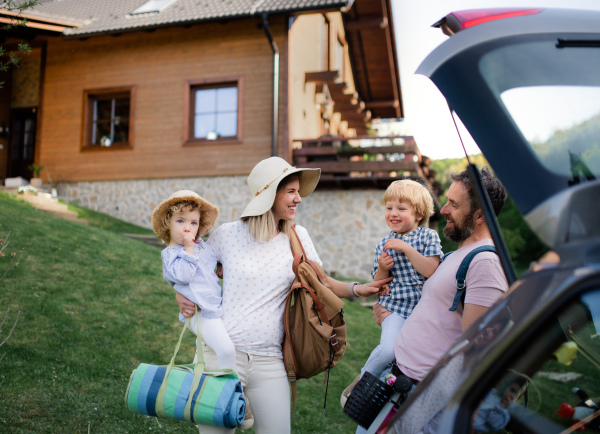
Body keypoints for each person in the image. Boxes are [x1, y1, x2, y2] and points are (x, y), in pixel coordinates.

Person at [175, 157, 391, 434]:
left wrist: (357, 288)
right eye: (291, 191)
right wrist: (179, 295)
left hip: (271, 362)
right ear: (270, 193)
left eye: (298, 192)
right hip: (221, 358)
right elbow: (189, 272)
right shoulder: (227, 235)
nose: (298, 199)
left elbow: (322, 282)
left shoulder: (297, 236)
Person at [373, 167, 509, 384]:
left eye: (453, 205)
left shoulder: (486, 263)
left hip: (423, 389)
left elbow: (476, 347)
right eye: (447, 201)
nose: (443, 210)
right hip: (399, 377)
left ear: (480, 215)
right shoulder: (454, 256)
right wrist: (391, 315)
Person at [151, 190, 255, 429]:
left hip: (214, 310)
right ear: (168, 223)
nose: (188, 227)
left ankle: (211, 399)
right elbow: (184, 275)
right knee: (226, 351)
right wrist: (187, 249)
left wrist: (218, 266)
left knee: (211, 358)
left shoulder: (200, 247)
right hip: (199, 314)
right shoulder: (171, 254)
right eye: (181, 221)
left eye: (193, 222)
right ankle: (239, 400)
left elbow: (210, 264)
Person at [361, 180, 442, 380]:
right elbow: (378, 283)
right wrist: (382, 268)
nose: (393, 213)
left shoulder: (429, 236)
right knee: (389, 350)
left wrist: (406, 248)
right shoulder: (384, 244)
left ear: (419, 214)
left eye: (401, 208)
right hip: (394, 307)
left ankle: (391, 391)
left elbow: (431, 270)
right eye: (389, 208)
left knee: (410, 359)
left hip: (422, 310)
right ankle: (362, 382)